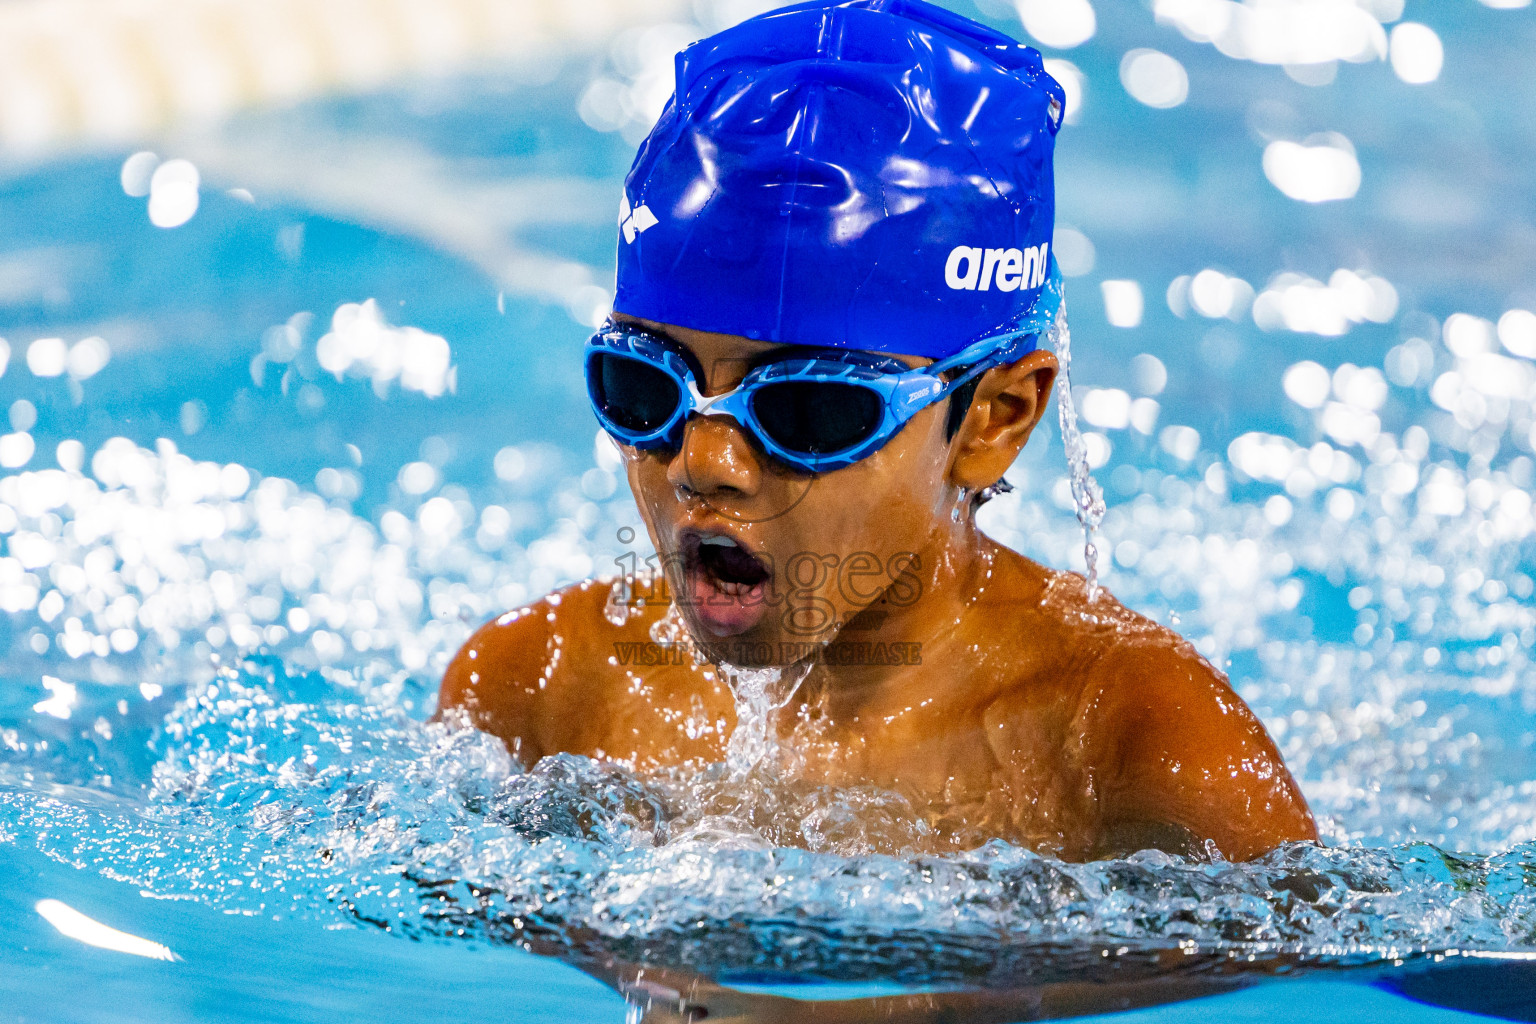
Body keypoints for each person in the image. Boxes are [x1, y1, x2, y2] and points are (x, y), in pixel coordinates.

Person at [439, 0, 1316, 866]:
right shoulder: (538, 689)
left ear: (994, 419)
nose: (702, 464)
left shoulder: (1136, 748)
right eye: (644, 387)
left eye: (807, 408)